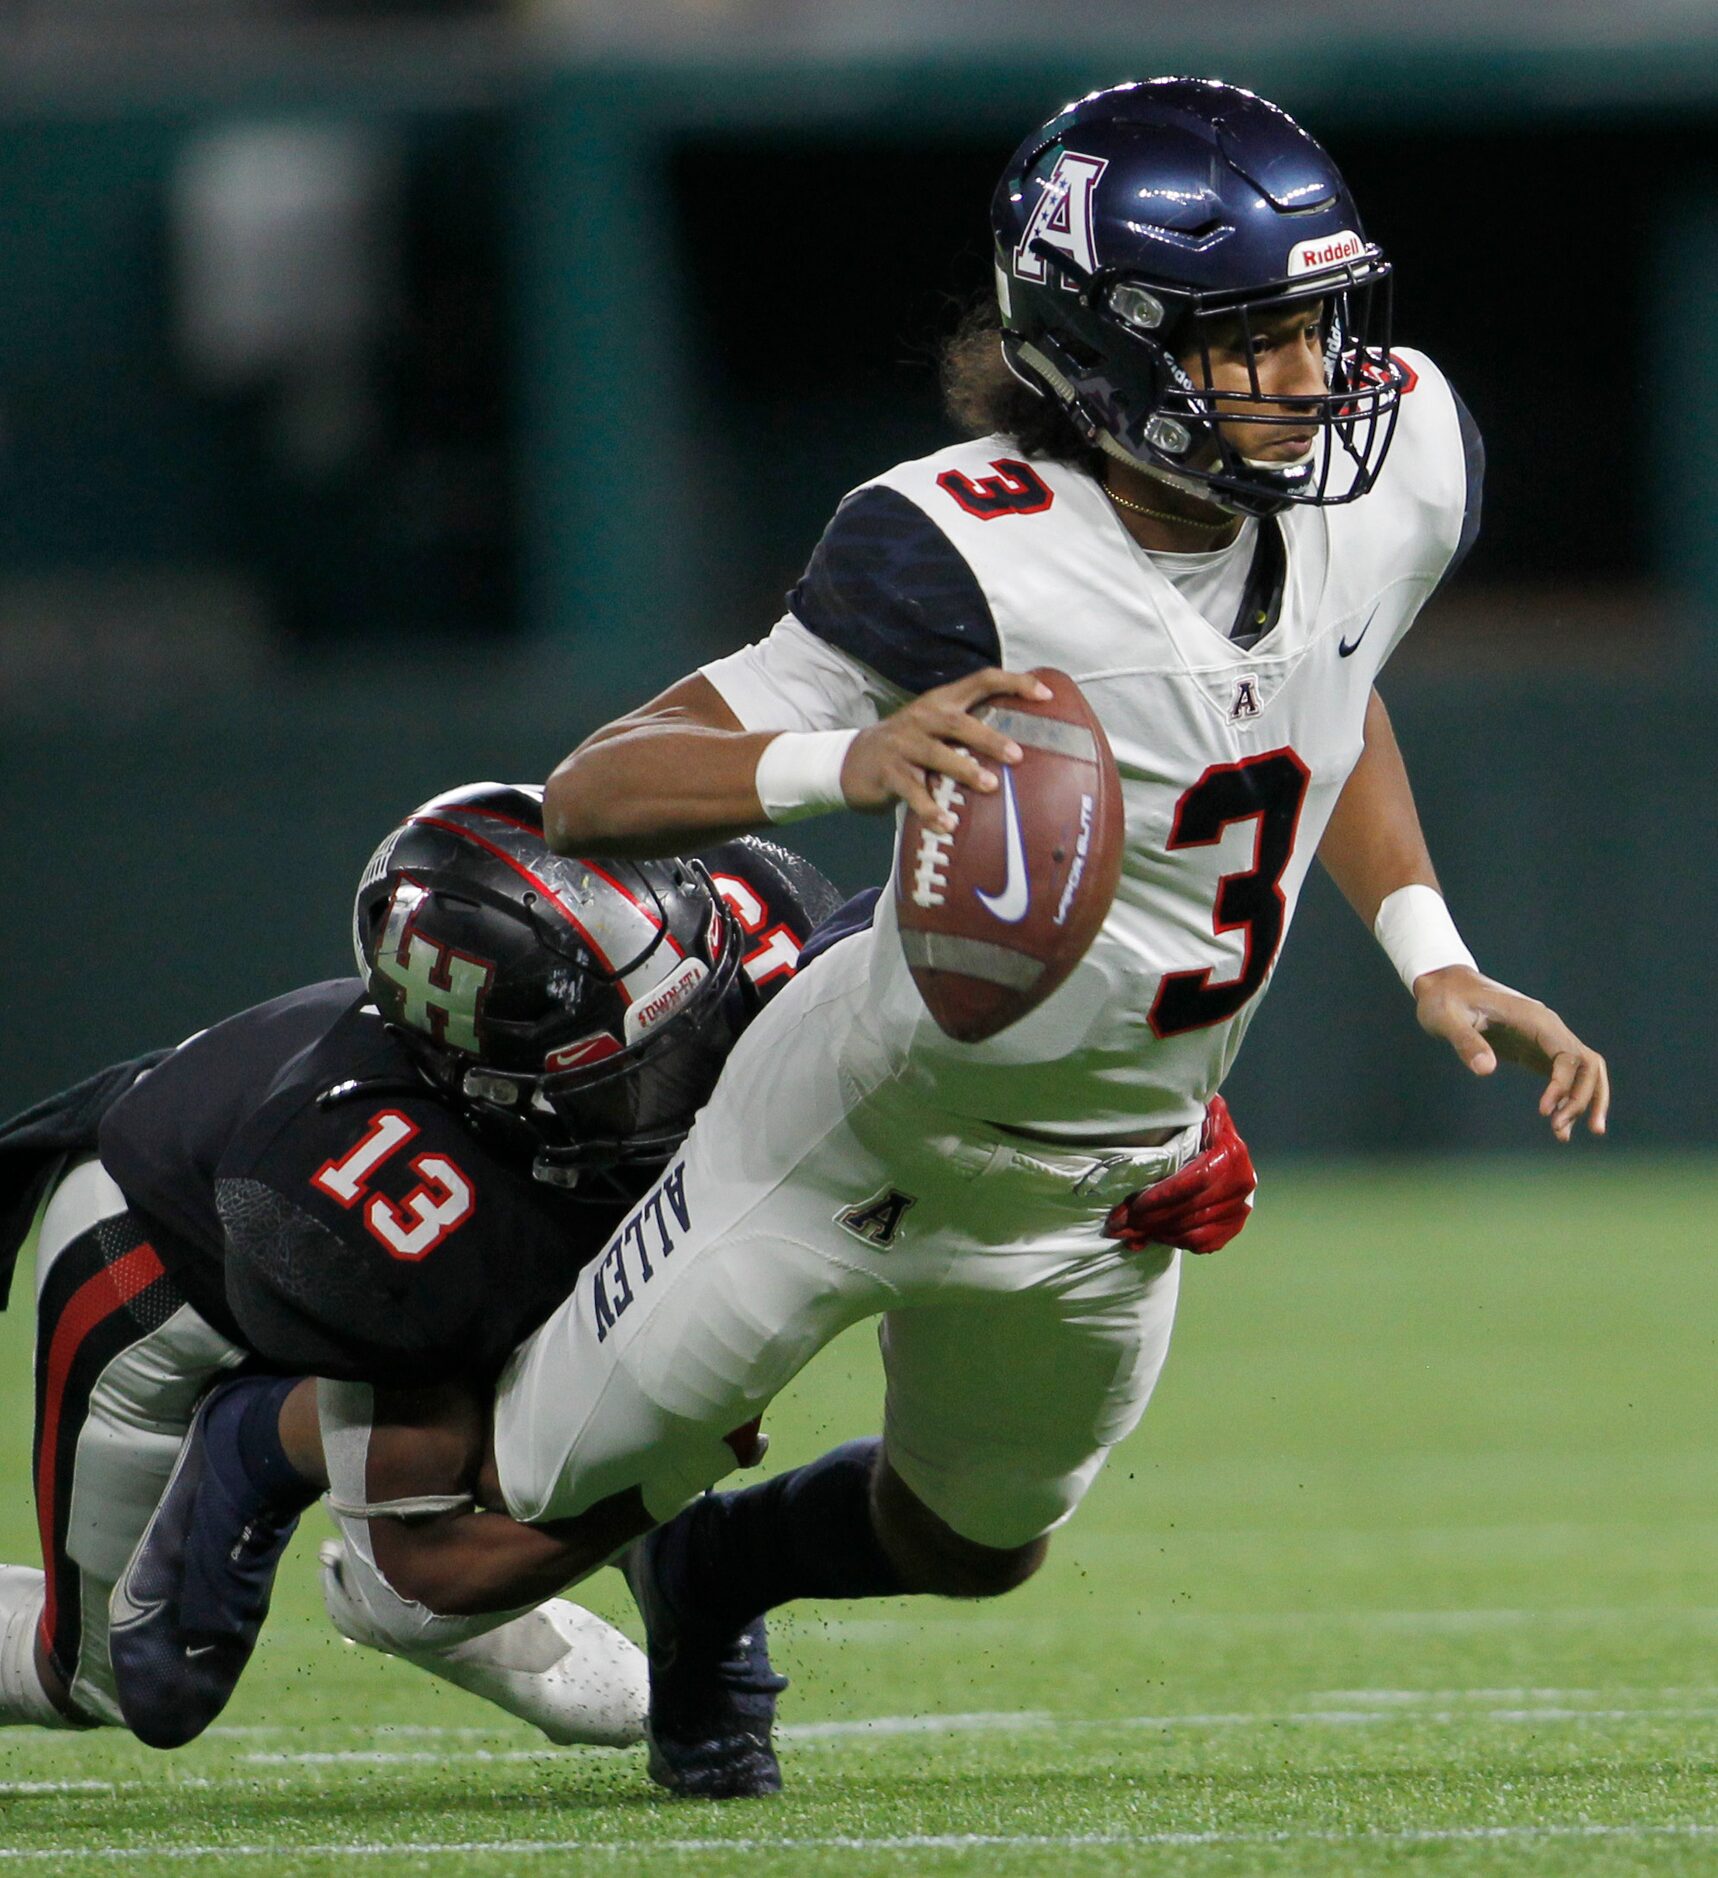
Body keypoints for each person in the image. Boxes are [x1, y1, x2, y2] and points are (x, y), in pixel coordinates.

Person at [118, 76, 1610, 1804]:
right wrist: (849, 755)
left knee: (972, 1544)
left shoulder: (1393, 463)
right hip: (850, 1118)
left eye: (1313, 323)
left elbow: (1321, 698)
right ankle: (269, 1432)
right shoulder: (964, 546)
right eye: (1245, 337)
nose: (1309, 377)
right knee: (468, 1547)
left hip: (1105, 1170)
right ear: (1097, 346)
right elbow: (597, 790)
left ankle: (712, 1570)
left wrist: (1426, 946)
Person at [0, 783, 840, 1750]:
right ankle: (264, 1439)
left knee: (576, 1654)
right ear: (490, 1087)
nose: (690, 1083)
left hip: (391, 1252)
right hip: (155, 1266)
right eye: (633, 1078)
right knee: (117, 1684)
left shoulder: (760, 926)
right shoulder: (389, 1198)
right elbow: (426, 1545)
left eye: (691, 1027)